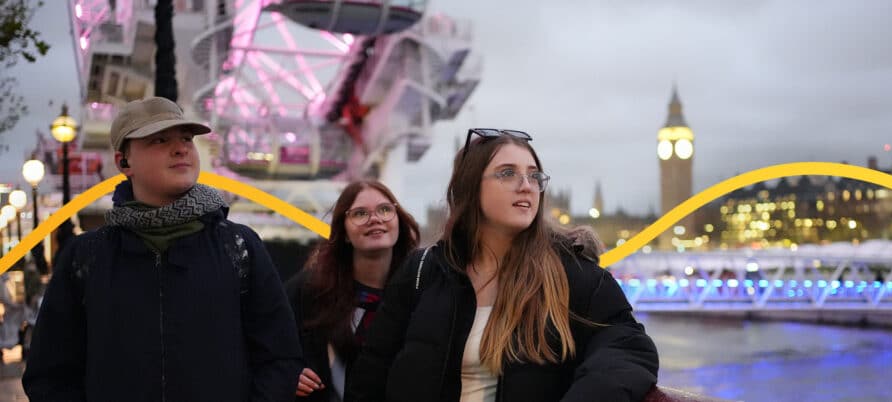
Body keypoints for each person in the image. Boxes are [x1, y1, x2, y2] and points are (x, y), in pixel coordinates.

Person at [22, 97, 304, 402]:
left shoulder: (240, 247)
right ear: (123, 162)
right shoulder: (85, 258)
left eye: (186, 138)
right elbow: (49, 375)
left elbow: (280, 358)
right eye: (159, 139)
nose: (181, 148)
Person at [349, 128, 659, 402]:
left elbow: (629, 349)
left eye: (534, 175)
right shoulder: (422, 271)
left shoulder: (575, 275)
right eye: (507, 173)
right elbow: (372, 370)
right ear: (471, 186)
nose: (526, 185)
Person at [286, 180, 420, 401]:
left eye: (385, 210)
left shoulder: (420, 290)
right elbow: (264, 342)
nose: (375, 219)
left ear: (398, 220)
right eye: (360, 214)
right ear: (344, 232)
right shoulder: (310, 289)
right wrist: (287, 372)